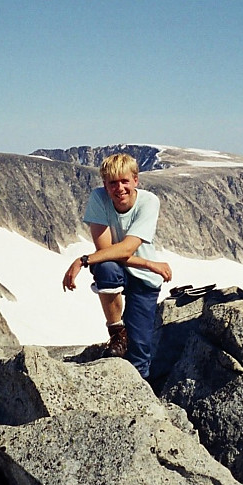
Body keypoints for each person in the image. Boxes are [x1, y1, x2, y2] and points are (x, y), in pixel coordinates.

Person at [62, 153, 172, 379]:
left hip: (143, 277)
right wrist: (150, 263)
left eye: (124, 181)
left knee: (139, 348)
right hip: (134, 267)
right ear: (105, 184)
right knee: (106, 268)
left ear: (135, 181)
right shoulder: (99, 198)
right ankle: (116, 332)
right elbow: (105, 253)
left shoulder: (149, 201)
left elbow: (124, 249)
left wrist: (83, 260)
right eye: (112, 182)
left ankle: (140, 395)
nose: (119, 188)